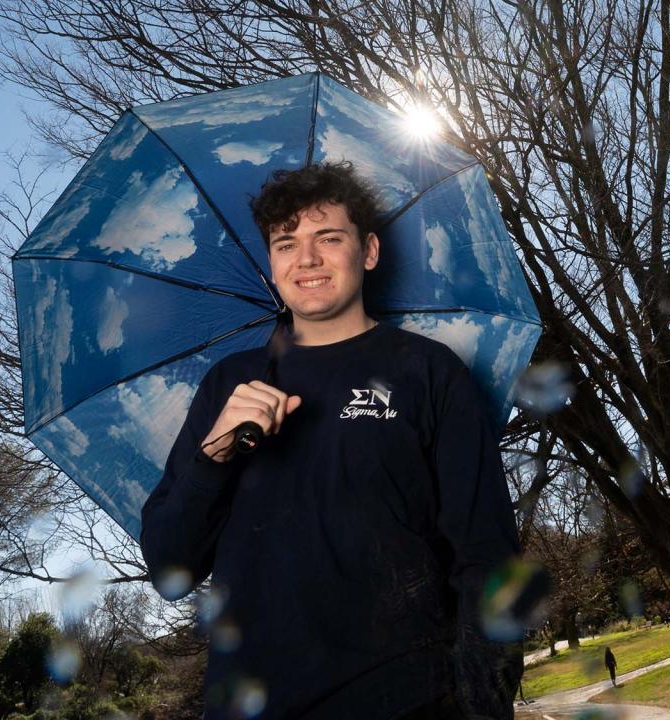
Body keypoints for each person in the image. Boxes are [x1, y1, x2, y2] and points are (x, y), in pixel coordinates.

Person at [139, 161, 523, 718]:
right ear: (272, 265)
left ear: (368, 251)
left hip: (406, 701)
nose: (307, 259)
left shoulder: (429, 372)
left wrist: (483, 704)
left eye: (328, 237)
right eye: (286, 243)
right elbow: (168, 567)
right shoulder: (229, 384)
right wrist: (214, 455)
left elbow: (487, 556)